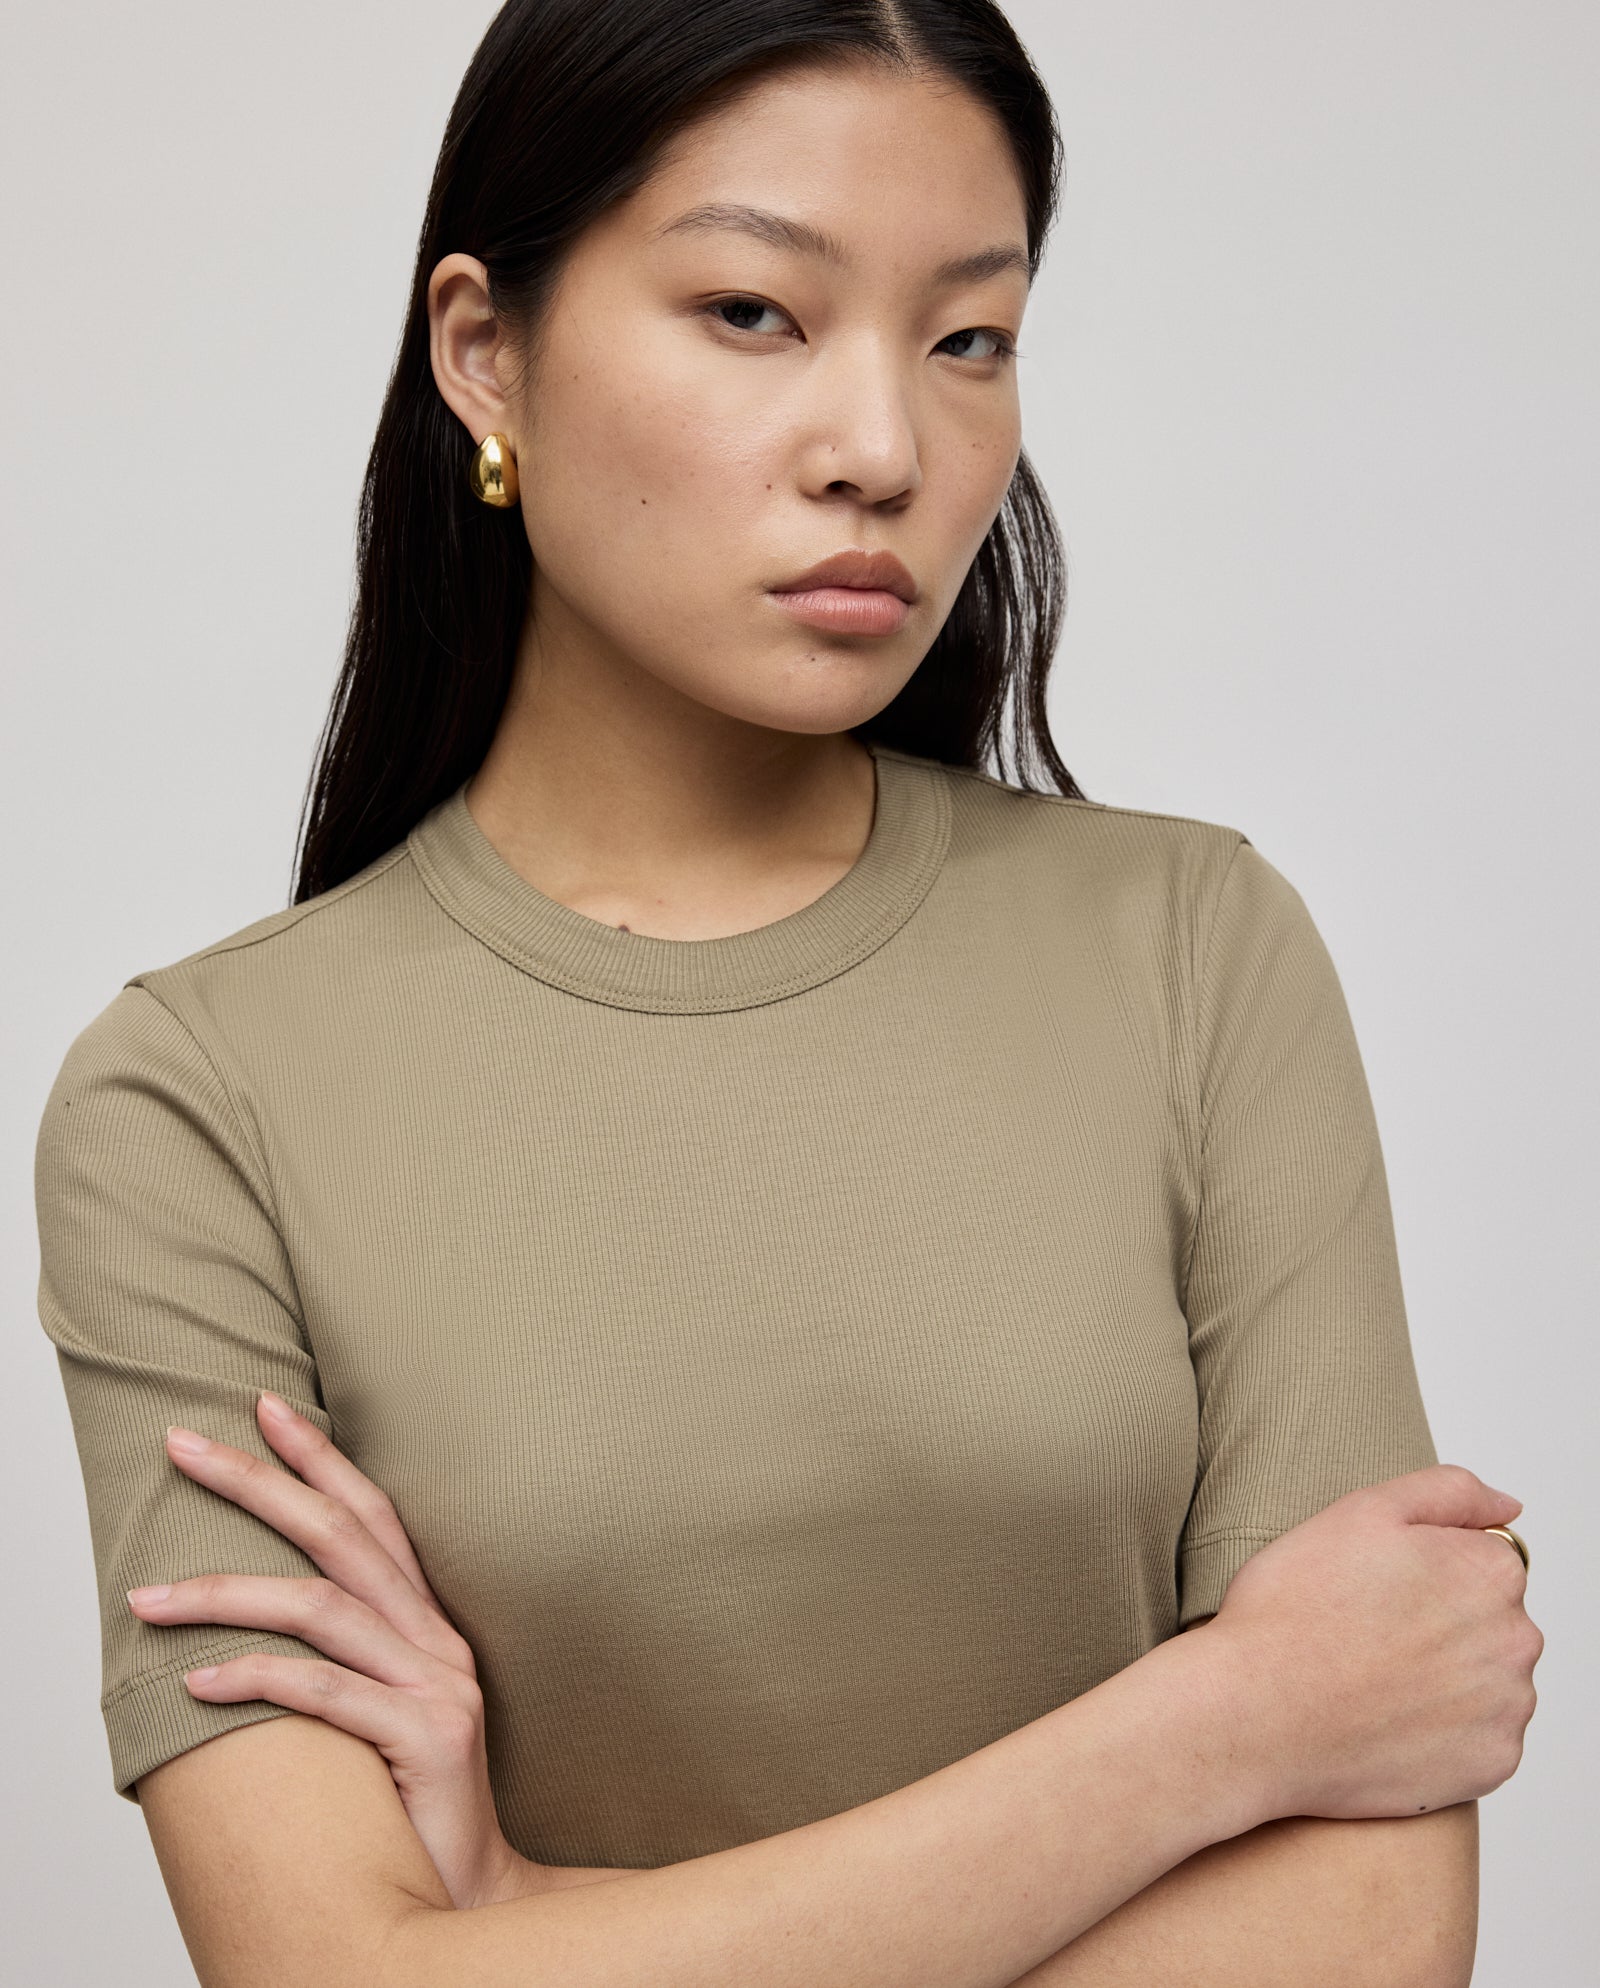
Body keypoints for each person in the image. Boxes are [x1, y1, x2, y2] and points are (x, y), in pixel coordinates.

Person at [34, 3, 1540, 1984]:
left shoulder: (1191, 949)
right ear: (483, 351)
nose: (882, 449)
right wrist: (1226, 1720)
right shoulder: (200, 1106)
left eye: (967, 337)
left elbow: (1362, 1932)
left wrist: (532, 1918)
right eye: (753, 310)